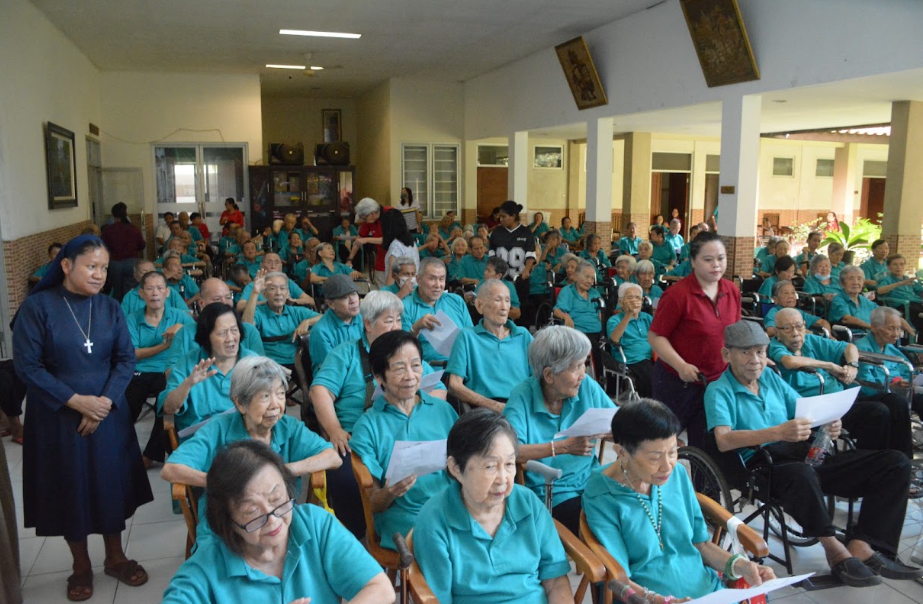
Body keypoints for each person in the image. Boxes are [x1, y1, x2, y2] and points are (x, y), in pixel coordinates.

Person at [705, 320, 919, 587]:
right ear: (727, 354)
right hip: (762, 466)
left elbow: (805, 409)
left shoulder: (770, 377)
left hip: (802, 454)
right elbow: (724, 440)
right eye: (745, 352)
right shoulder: (718, 390)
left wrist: (829, 422)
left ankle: (864, 545)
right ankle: (835, 552)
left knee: (895, 463)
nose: (755, 360)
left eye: (760, 352)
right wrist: (777, 432)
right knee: (802, 473)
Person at [13, 235, 153, 601]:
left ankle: (116, 557)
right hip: (58, 417)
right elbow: (27, 367)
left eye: (103, 268)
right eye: (91, 266)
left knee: (109, 484)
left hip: (108, 413)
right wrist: (76, 402)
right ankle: (80, 565)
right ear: (65, 265)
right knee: (68, 487)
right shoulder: (38, 307)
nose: (99, 274)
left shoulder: (109, 307)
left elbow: (125, 359)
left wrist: (103, 403)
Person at [584, 399, 774, 602]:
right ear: (622, 453)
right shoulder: (601, 496)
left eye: (673, 452)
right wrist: (659, 600)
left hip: (707, 591)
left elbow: (702, 545)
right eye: (655, 457)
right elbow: (619, 578)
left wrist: (742, 566)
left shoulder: (677, 475)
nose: (668, 466)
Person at [162, 440, 394, 604]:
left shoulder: (314, 524)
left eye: (277, 499)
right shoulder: (205, 568)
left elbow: (380, 588)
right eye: (253, 512)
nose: (273, 520)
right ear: (227, 521)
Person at [310, 291, 447, 538]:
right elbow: (319, 391)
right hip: (357, 433)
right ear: (368, 324)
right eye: (389, 320)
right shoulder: (345, 354)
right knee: (347, 476)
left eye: (399, 320)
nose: (396, 326)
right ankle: (353, 539)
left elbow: (437, 389)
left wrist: (421, 414)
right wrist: (334, 430)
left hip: (405, 426)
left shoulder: (406, 353)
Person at [161, 356, 340, 541]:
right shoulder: (218, 429)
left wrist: (284, 471)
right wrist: (222, 483)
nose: (275, 405)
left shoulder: (288, 427)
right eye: (265, 396)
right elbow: (171, 469)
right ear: (240, 403)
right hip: (227, 521)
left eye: (280, 394)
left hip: (279, 520)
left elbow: (332, 457)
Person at [412, 409, 573, 604]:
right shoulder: (434, 521)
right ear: (456, 468)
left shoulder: (528, 503)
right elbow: (438, 599)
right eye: (490, 466)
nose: (503, 479)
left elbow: (555, 581)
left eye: (509, 464)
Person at [349, 331, 458, 550]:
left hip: (451, 507)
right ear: (379, 376)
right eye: (399, 368)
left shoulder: (443, 410)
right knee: (447, 546)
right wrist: (390, 491)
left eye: (416, 366)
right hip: (404, 517)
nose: (410, 376)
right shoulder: (368, 426)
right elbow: (374, 503)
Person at [503, 326, 614, 534]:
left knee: (628, 511)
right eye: (576, 367)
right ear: (549, 375)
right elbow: (509, 451)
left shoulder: (586, 387)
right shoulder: (522, 397)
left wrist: (611, 431)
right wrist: (562, 447)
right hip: (551, 490)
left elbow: (619, 423)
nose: (583, 375)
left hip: (592, 480)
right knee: (599, 526)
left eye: (584, 365)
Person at [648, 231, 741, 448]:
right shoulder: (678, 295)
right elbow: (655, 336)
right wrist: (680, 365)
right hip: (677, 383)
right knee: (661, 444)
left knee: (707, 447)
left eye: (721, 258)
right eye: (708, 260)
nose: (716, 265)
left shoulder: (731, 291)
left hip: (716, 383)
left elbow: (735, 333)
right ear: (692, 261)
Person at [126, 271, 196, 467]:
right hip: (140, 370)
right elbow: (133, 354)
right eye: (149, 289)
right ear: (141, 293)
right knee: (126, 404)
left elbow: (197, 333)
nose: (155, 293)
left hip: (169, 370)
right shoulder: (132, 319)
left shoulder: (179, 316)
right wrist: (164, 346)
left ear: (167, 292)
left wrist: (181, 327)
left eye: (159, 288)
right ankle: (122, 450)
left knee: (165, 404)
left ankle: (151, 455)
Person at [159, 303, 258, 436]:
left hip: (243, 436)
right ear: (207, 336)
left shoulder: (254, 363)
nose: (230, 338)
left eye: (234, 330)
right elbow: (168, 408)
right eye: (222, 333)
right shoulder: (188, 363)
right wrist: (188, 384)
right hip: (201, 439)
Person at [447, 279, 533, 412]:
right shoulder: (467, 336)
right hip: (484, 410)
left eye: (507, 301)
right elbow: (454, 385)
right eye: (498, 300)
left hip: (521, 408)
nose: (504, 307)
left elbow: (540, 378)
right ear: (479, 305)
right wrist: (495, 406)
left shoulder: (523, 335)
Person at [854, 306, 923, 457]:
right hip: (874, 395)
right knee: (897, 401)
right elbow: (865, 385)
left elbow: (908, 370)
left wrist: (912, 379)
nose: (896, 334)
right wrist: (890, 386)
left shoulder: (891, 349)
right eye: (891, 328)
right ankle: (903, 456)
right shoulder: (861, 348)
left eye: (899, 329)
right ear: (874, 327)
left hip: (900, 391)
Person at [402, 257, 474, 363]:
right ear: (418, 280)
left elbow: (471, 337)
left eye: (441, 279)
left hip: (462, 364)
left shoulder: (456, 301)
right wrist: (416, 328)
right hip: (430, 368)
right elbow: (402, 349)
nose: (438, 285)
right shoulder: (405, 307)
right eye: (432, 279)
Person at [243, 272, 321, 368]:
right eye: (272, 288)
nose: (278, 293)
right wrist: (255, 293)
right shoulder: (259, 312)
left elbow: (325, 318)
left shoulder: (296, 312)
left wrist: (308, 322)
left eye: (282, 288)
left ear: (287, 293)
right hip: (269, 366)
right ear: (264, 294)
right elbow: (247, 327)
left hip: (298, 363)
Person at [554, 259, 603, 371]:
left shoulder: (594, 293)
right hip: (578, 332)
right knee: (595, 348)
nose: (590, 281)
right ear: (576, 276)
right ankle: (599, 376)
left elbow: (601, 314)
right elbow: (557, 310)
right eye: (587, 277)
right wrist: (565, 316)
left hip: (598, 333)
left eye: (592, 278)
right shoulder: (567, 291)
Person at [308, 274, 363, 372]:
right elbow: (332, 370)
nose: (353, 301)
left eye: (354, 293)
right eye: (345, 297)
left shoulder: (363, 318)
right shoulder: (321, 332)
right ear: (331, 304)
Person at [608, 282, 654, 398]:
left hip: (653, 356)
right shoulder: (614, 320)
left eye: (637, 298)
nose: (634, 301)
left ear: (642, 301)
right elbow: (614, 339)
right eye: (630, 298)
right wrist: (628, 314)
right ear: (620, 302)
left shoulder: (647, 318)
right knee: (651, 377)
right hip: (633, 359)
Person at [235, 253, 315, 313]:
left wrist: (292, 301)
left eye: (277, 262)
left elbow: (310, 300)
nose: (273, 266)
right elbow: (240, 307)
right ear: (261, 265)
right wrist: (267, 303)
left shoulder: (289, 283)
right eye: (269, 262)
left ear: (281, 266)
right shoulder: (253, 285)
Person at [100, 202, 145, 300]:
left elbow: (102, 246)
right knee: (131, 291)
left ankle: (118, 307)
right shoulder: (133, 228)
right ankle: (129, 307)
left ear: (113, 215)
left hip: (114, 264)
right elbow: (142, 245)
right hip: (132, 263)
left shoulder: (108, 230)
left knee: (117, 292)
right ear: (126, 213)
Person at [876, 254, 923, 342]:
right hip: (901, 307)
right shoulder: (886, 279)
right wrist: (899, 283)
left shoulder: (908, 279)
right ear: (889, 267)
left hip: (917, 304)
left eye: (901, 264)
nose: (899, 267)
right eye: (895, 264)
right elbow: (880, 291)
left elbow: (920, 291)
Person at [762, 280, 831, 338]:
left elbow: (823, 322)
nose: (791, 296)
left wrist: (829, 336)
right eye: (786, 293)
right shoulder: (774, 312)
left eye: (793, 293)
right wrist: (798, 331)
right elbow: (770, 331)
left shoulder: (798, 312)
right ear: (775, 299)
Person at [489, 200, 536, 282]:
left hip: (520, 278)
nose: (500, 219)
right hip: (500, 279)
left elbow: (530, 254)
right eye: (500, 216)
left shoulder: (526, 232)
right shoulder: (496, 232)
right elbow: (492, 253)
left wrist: (526, 269)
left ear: (513, 216)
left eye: (503, 216)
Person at [348, 197, 390, 286]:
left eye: (364, 217)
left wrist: (366, 240)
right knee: (381, 285)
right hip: (381, 257)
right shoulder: (368, 221)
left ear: (371, 213)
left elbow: (389, 239)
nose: (363, 220)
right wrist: (349, 259)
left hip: (396, 254)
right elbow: (358, 241)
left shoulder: (390, 213)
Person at [829, 265, 881, 331]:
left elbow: (882, 313)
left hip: (872, 334)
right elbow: (846, 319)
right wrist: (871, 327)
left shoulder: (864, 300)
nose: (856, 282)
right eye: (851, 278)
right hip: (855, 335)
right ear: (842, 283)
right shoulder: (838, 299)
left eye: (859, 279)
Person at [382, 208, 420, 286]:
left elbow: (391, 278)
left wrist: (385, 292)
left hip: (401, 290)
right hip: (413, 286)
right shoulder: (411, 242)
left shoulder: (396, 246)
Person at [479, 256, 522, 321]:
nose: (485, 273)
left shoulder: (508, 287)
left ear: (498, 276)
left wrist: (497, 310)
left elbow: (517, 313)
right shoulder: (481, 283)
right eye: (486, 269)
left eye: (489, 271)